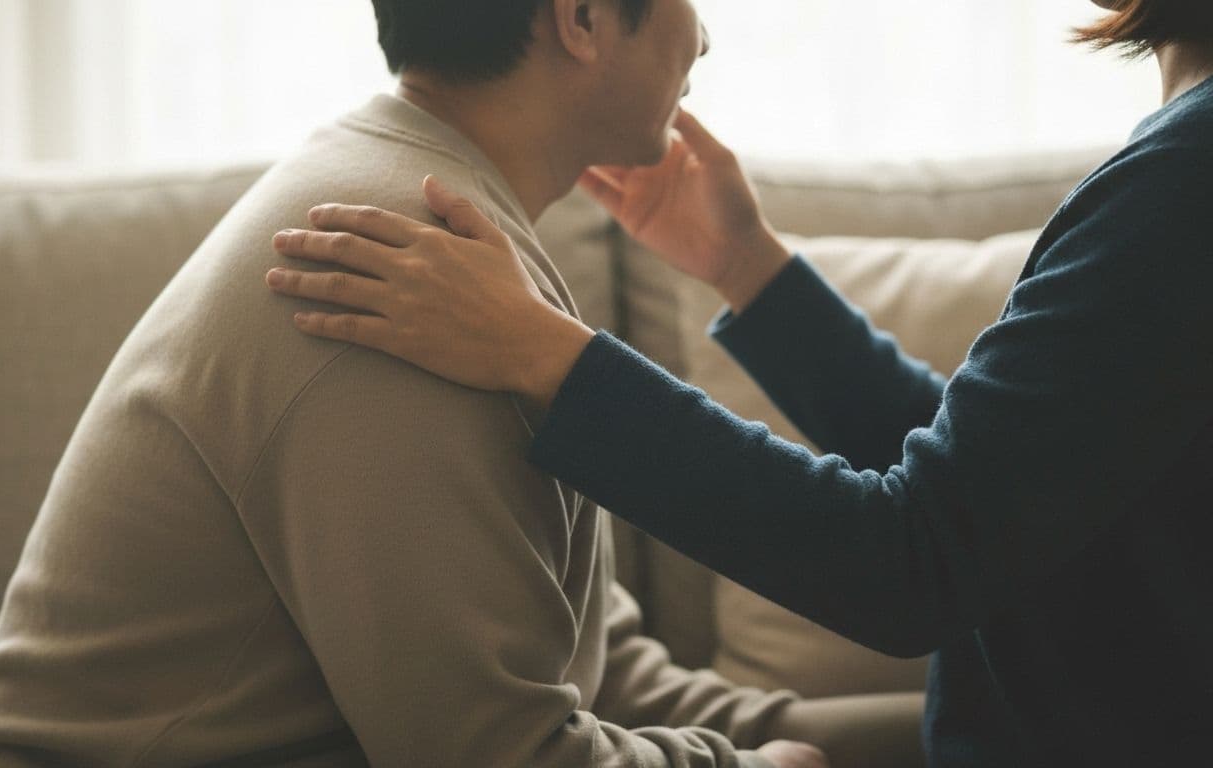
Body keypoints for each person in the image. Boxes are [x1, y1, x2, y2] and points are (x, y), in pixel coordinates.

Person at [0, 1, 929, 767]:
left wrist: (924, 737)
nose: (703, 35)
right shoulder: (390, 273)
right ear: (580, 16)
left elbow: (590, 667)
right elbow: (491, 753)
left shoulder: (445, 239)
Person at [261, 0, 1213, 765]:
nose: (707, 35)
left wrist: (547, 357)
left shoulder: (1182, 185)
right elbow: (1000, 490)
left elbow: (916, 558)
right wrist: (747, 267)